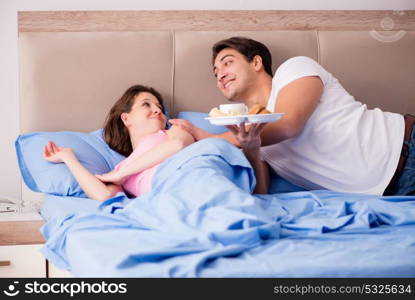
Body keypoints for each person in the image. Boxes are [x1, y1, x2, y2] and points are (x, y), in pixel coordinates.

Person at [169, 36, 415, 196]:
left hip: (407, 146)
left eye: (227, 63)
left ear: (256, 62)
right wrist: (252, 149)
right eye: (215, 72)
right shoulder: (256, 137)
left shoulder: (295, 69)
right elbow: (262, 191)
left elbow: (288, 126)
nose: (220, 74)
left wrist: (205, 137)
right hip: (392, 195)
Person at [43, 85, 195, 201]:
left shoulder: (174, 130)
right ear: (126, 118)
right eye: (146, 104)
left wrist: (122, 174)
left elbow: (177, 146)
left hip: (196, 183)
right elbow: (103, 195)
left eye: (160, 107)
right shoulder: (121, 169)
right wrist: (69, 159)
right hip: (173, 204)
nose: (157, 110)